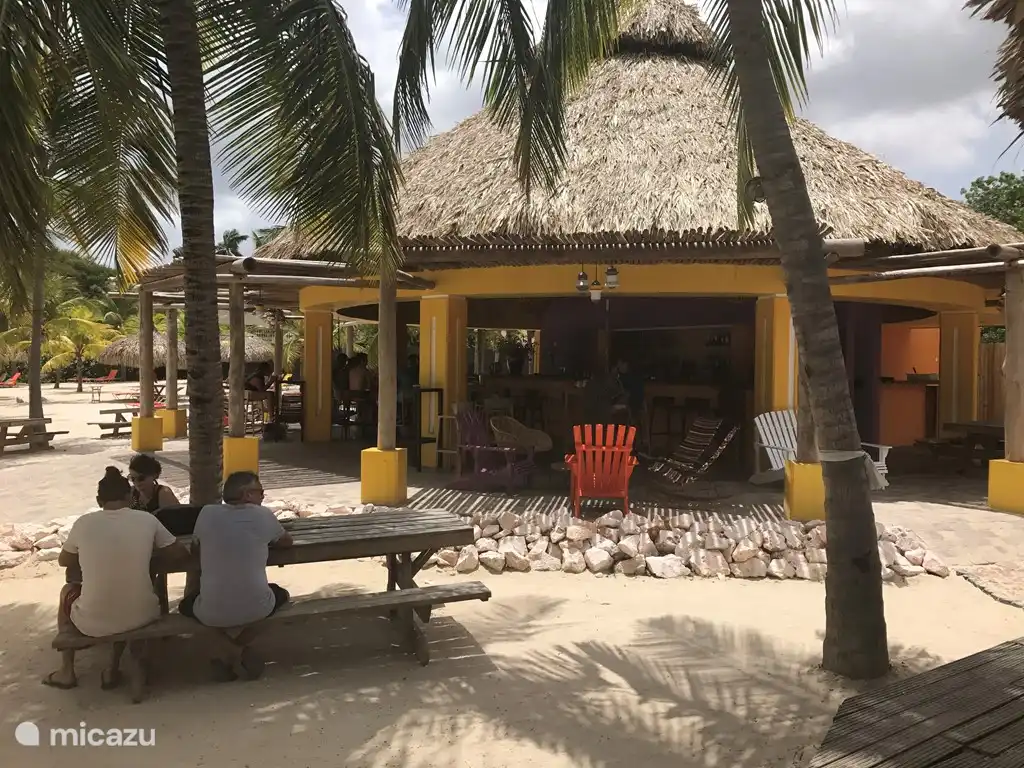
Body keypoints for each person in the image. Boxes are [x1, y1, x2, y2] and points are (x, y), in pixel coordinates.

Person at [43, 467, 186, 690]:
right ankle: (112, 666)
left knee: (67, 591)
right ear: (129, 497)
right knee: (128, 592)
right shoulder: (147, 520)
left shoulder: (84, 523)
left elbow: (64, 560)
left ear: (98, 500)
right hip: (143, 614)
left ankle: (66, 671)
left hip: (93, 622)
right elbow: (179, 553)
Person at [179, 472, 293, 677]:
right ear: (247, 494)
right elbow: (286, 542)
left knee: (186, 606)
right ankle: (238, 649)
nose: (263, 496)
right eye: (260, 492)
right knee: (281, 595)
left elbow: (196, 550)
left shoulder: (207, 513)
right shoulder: (262, 515)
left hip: (211, 612)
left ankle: (227, 652)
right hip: (258, 608)